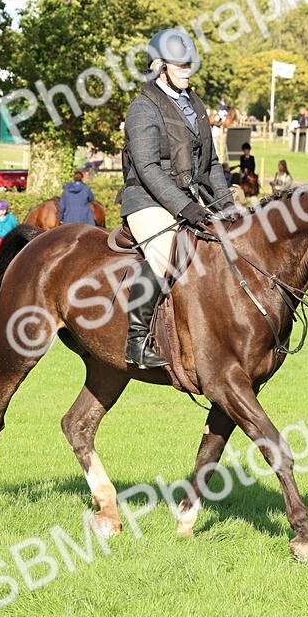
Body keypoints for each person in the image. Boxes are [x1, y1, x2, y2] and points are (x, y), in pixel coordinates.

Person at [119, 28, 237, 368]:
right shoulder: (143, 107)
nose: (187, 70)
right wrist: (185, 207)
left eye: (190, 65)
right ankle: (137, 341)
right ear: (159, 66)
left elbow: (211, 163)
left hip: (194, 199)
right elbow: (146, 166)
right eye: (180, 65)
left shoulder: (194, 105)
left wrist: (228, 205)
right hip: (147, 201)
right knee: (162, 253)